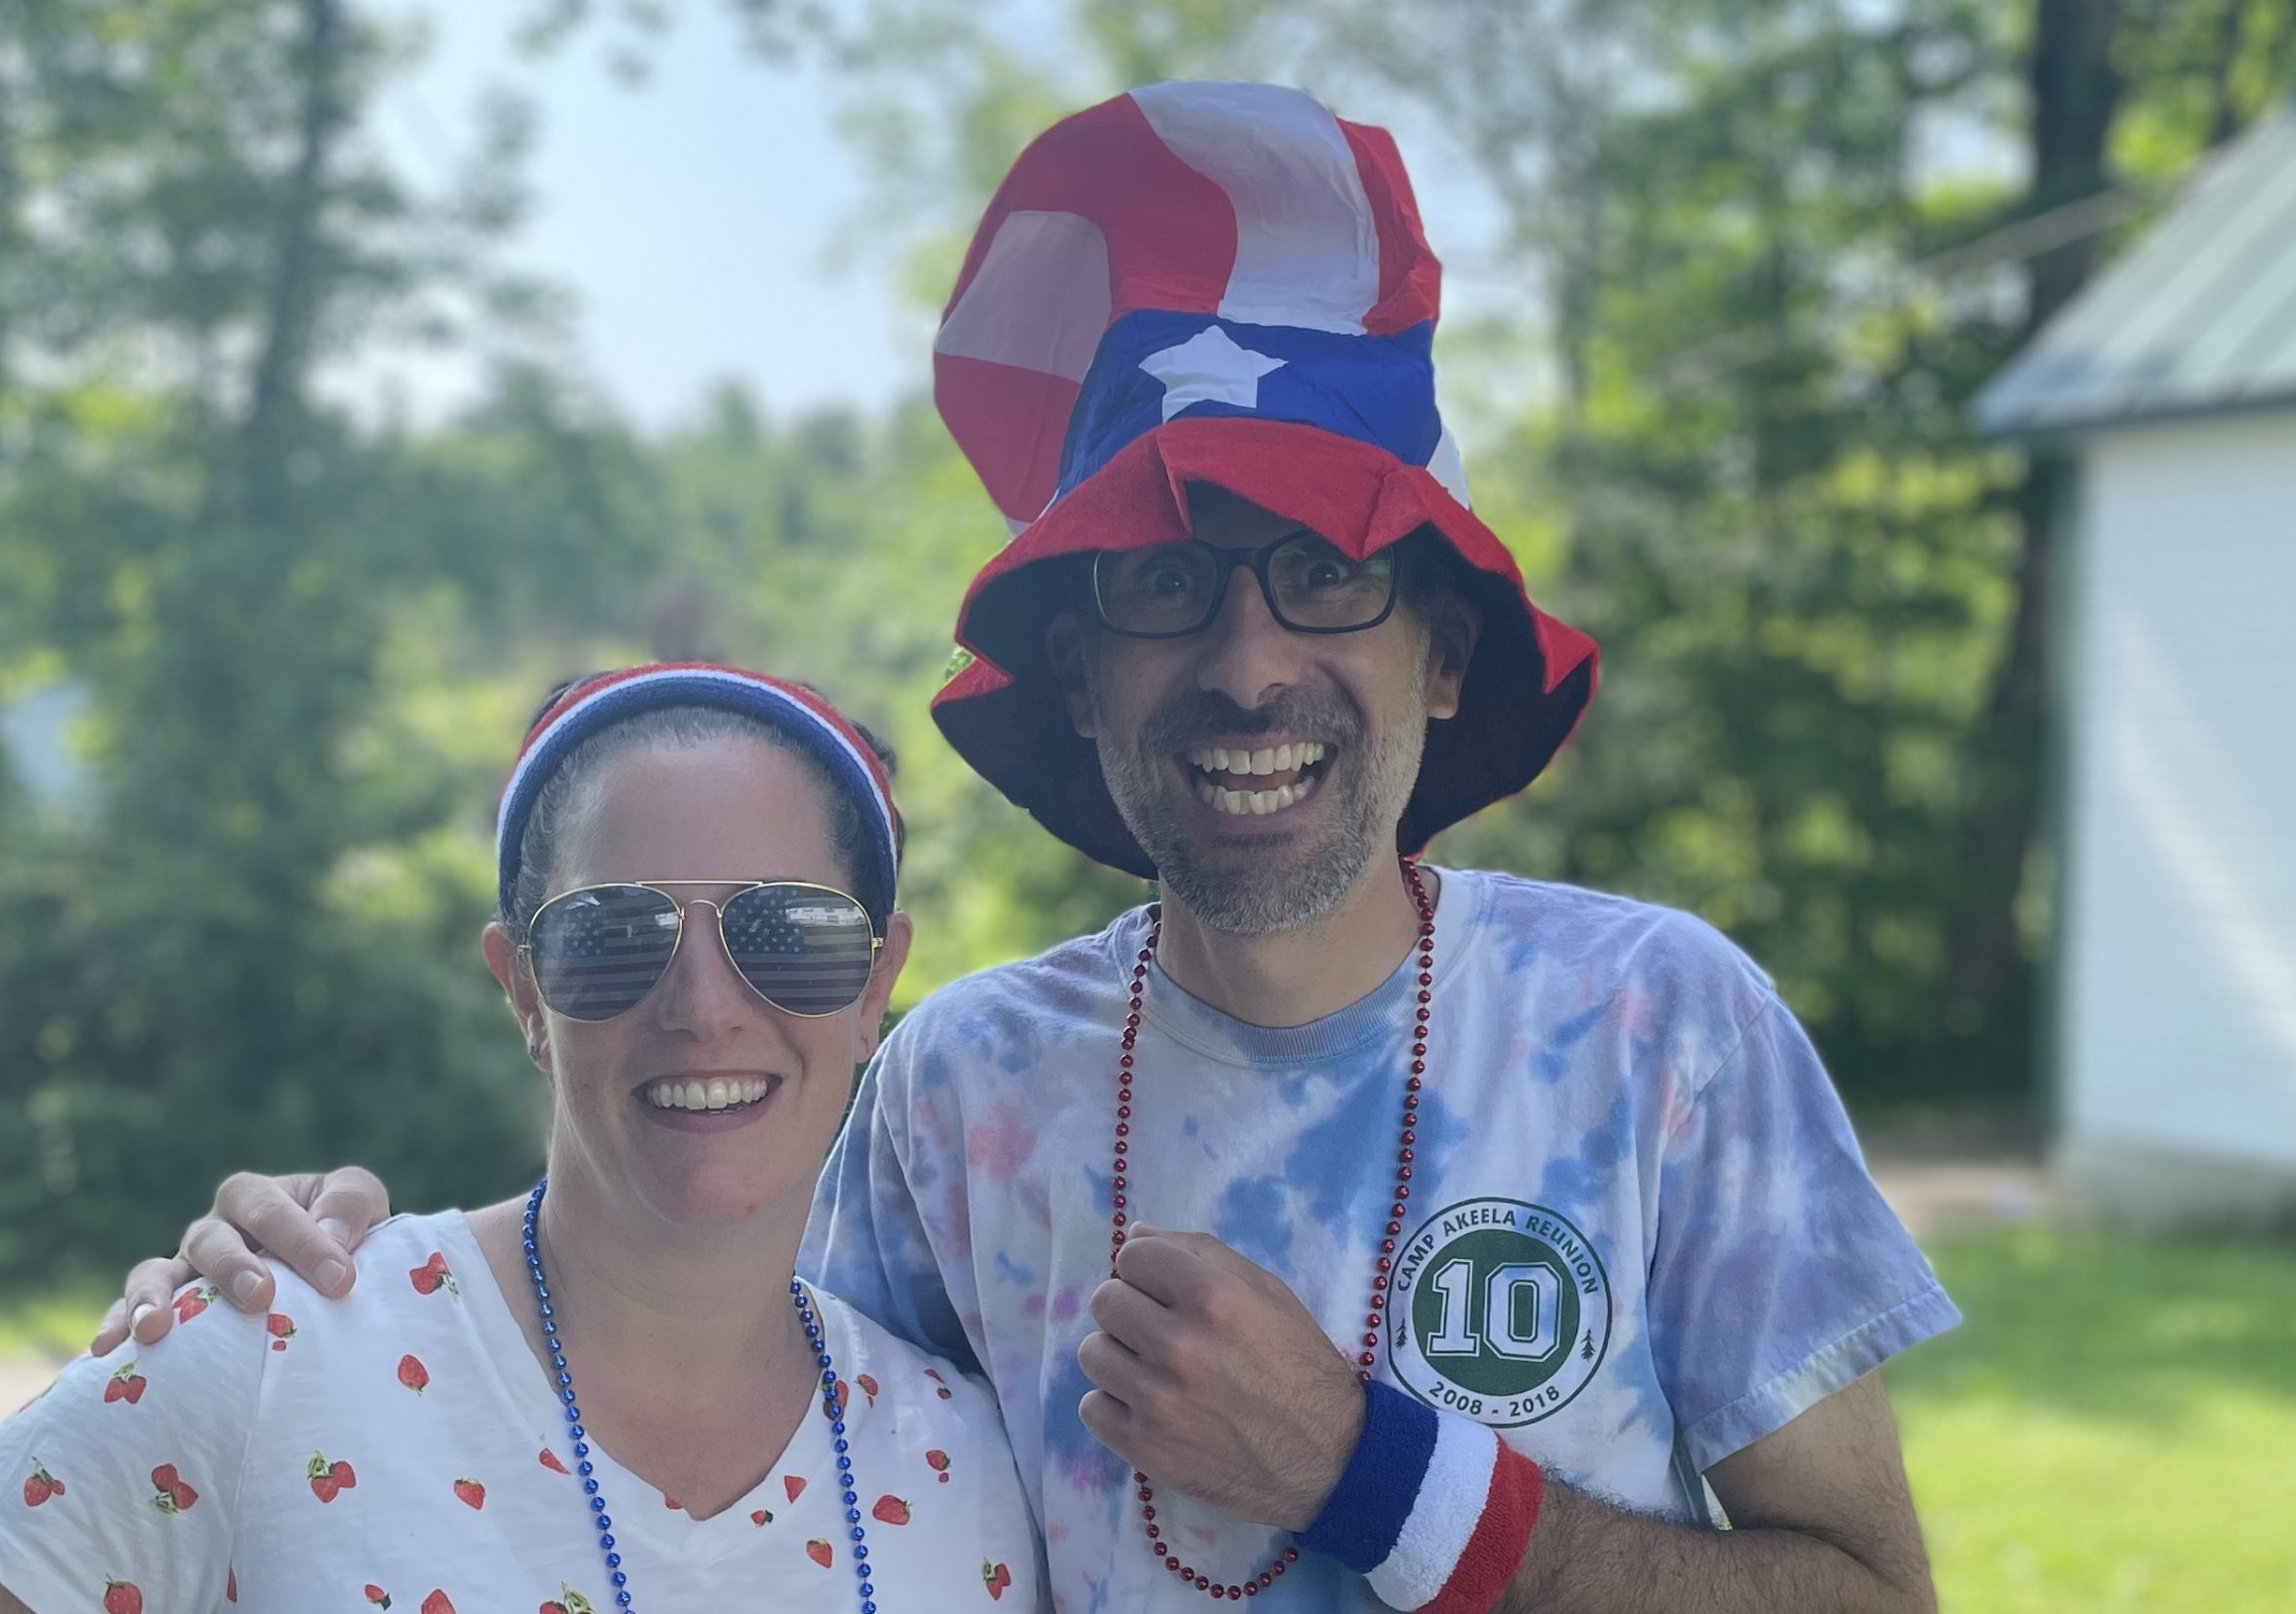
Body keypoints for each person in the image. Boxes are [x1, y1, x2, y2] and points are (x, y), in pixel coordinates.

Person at [97, 82, 1959, 1614]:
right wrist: (302, 1304)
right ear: (1078, 675)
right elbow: (740, 1464)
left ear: (1441, 645)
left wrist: (1370, 1470)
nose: (1247, 666)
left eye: (1323, 573)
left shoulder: (1659, 1025)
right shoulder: (955, 1093)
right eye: (1164, 585)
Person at [0, 664, 1041, 1613]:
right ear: (521, 989)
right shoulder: (263, 1354)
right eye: (612, 934)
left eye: (790, 931)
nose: (703, 1003)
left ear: (880, 977)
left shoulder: (974, 1469)